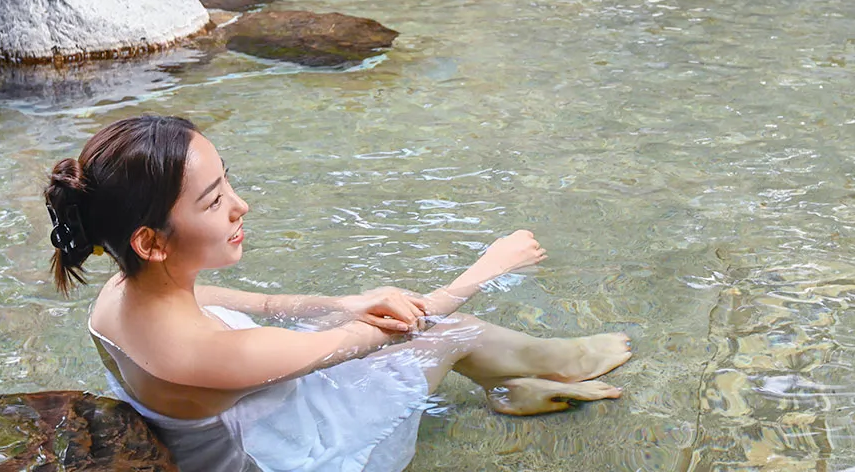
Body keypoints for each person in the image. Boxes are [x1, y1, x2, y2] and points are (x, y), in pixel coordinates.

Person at [45, 115, 632, 472]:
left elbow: (270, 309)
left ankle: (510, 380)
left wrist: (346, 302)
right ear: (151, 241)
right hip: (284, 457)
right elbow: (392, 333)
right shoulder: (203, 353)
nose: (240, 206)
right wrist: (486, 269)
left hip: (250, 409)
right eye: (213, 201)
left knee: (396, 327)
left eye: (228, 183)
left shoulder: (122, 293)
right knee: (448, 333)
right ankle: (545, 369)